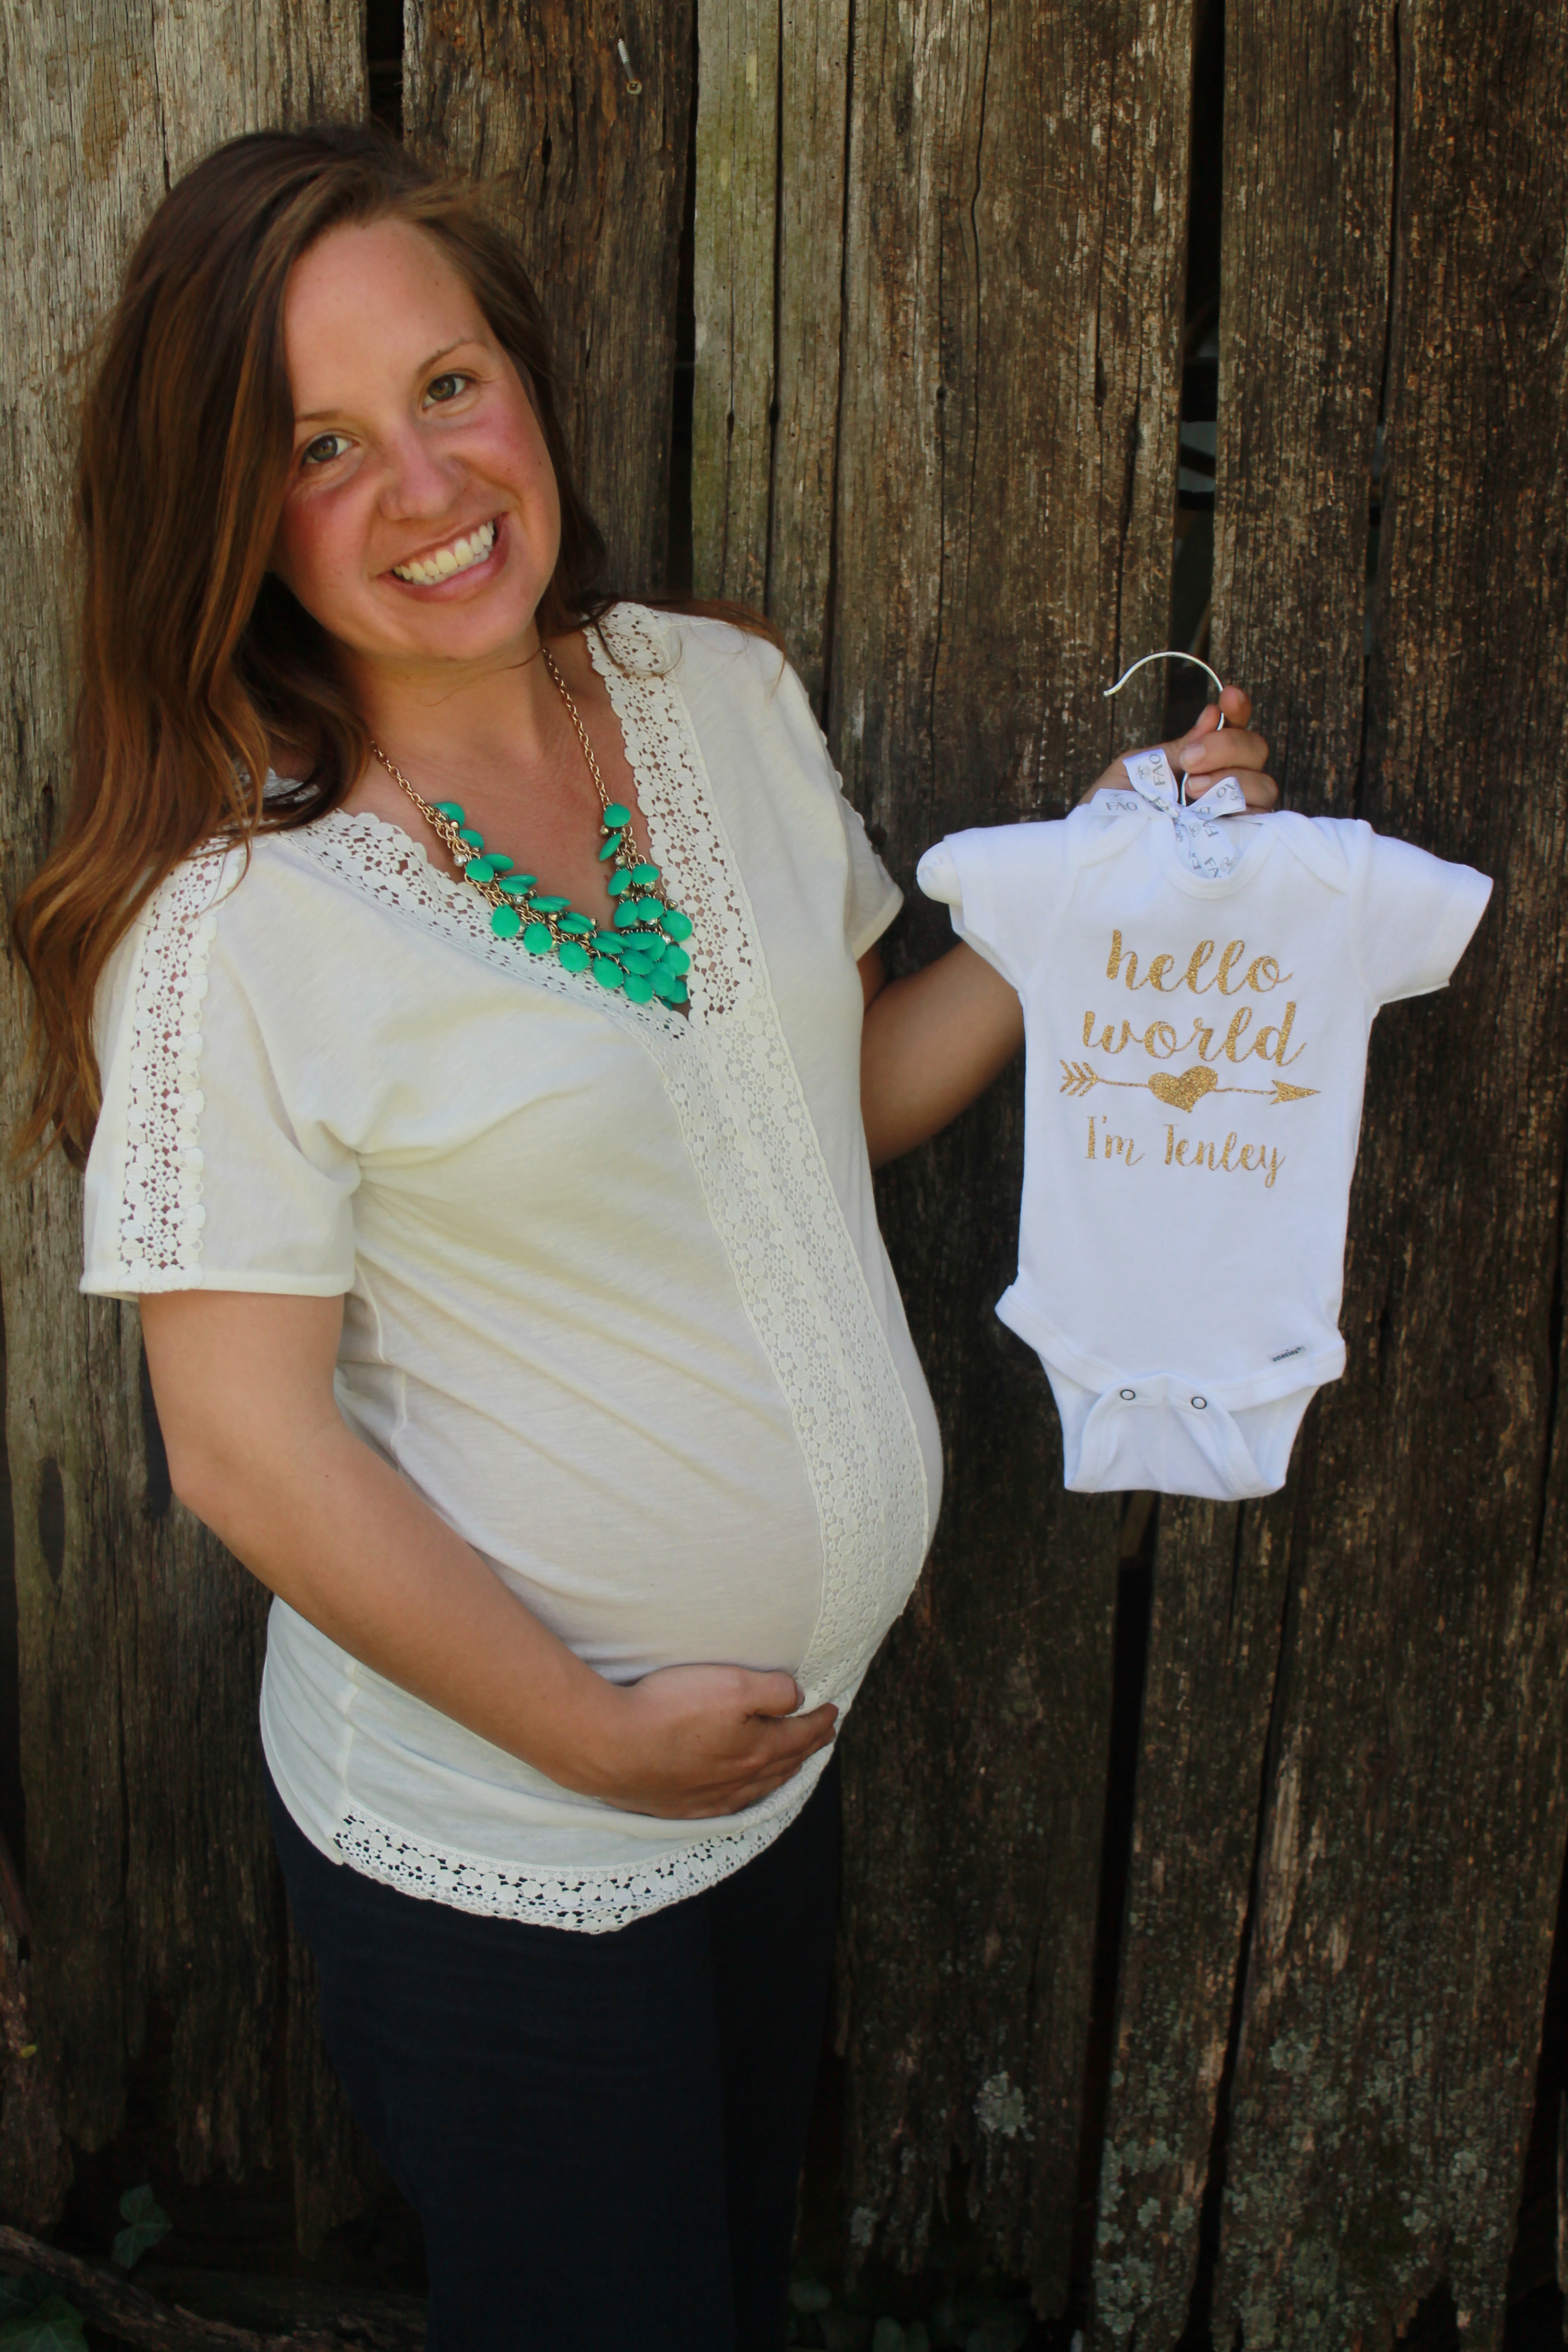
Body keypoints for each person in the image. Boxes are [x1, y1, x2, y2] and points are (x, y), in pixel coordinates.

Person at [13, 125, 1277, 2352]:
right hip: (510, 1839)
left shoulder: (711, 695)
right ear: (227, 514)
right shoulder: (235, 933)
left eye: (448, 385)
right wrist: (590, 1745)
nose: (425, 483)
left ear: (526, 380)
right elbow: (247, 1453)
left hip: (759, 1780)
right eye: (318, 445)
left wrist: (1104, 878)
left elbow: (826, 1100)